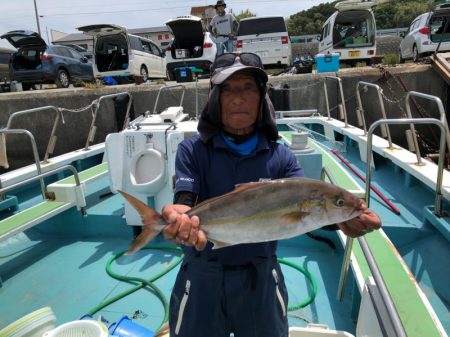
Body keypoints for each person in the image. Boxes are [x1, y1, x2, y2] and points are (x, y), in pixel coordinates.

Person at [157, 52, 382, 337]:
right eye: (228, 89)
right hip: (202, 273)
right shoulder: (193, 150)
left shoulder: (282, 158)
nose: (239, 97)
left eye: (249, 88)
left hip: (260, 276)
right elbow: (185, 200)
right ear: (216, 99)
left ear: (262, 98)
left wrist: (341, 221)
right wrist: (178, 218)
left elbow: (306, 203)